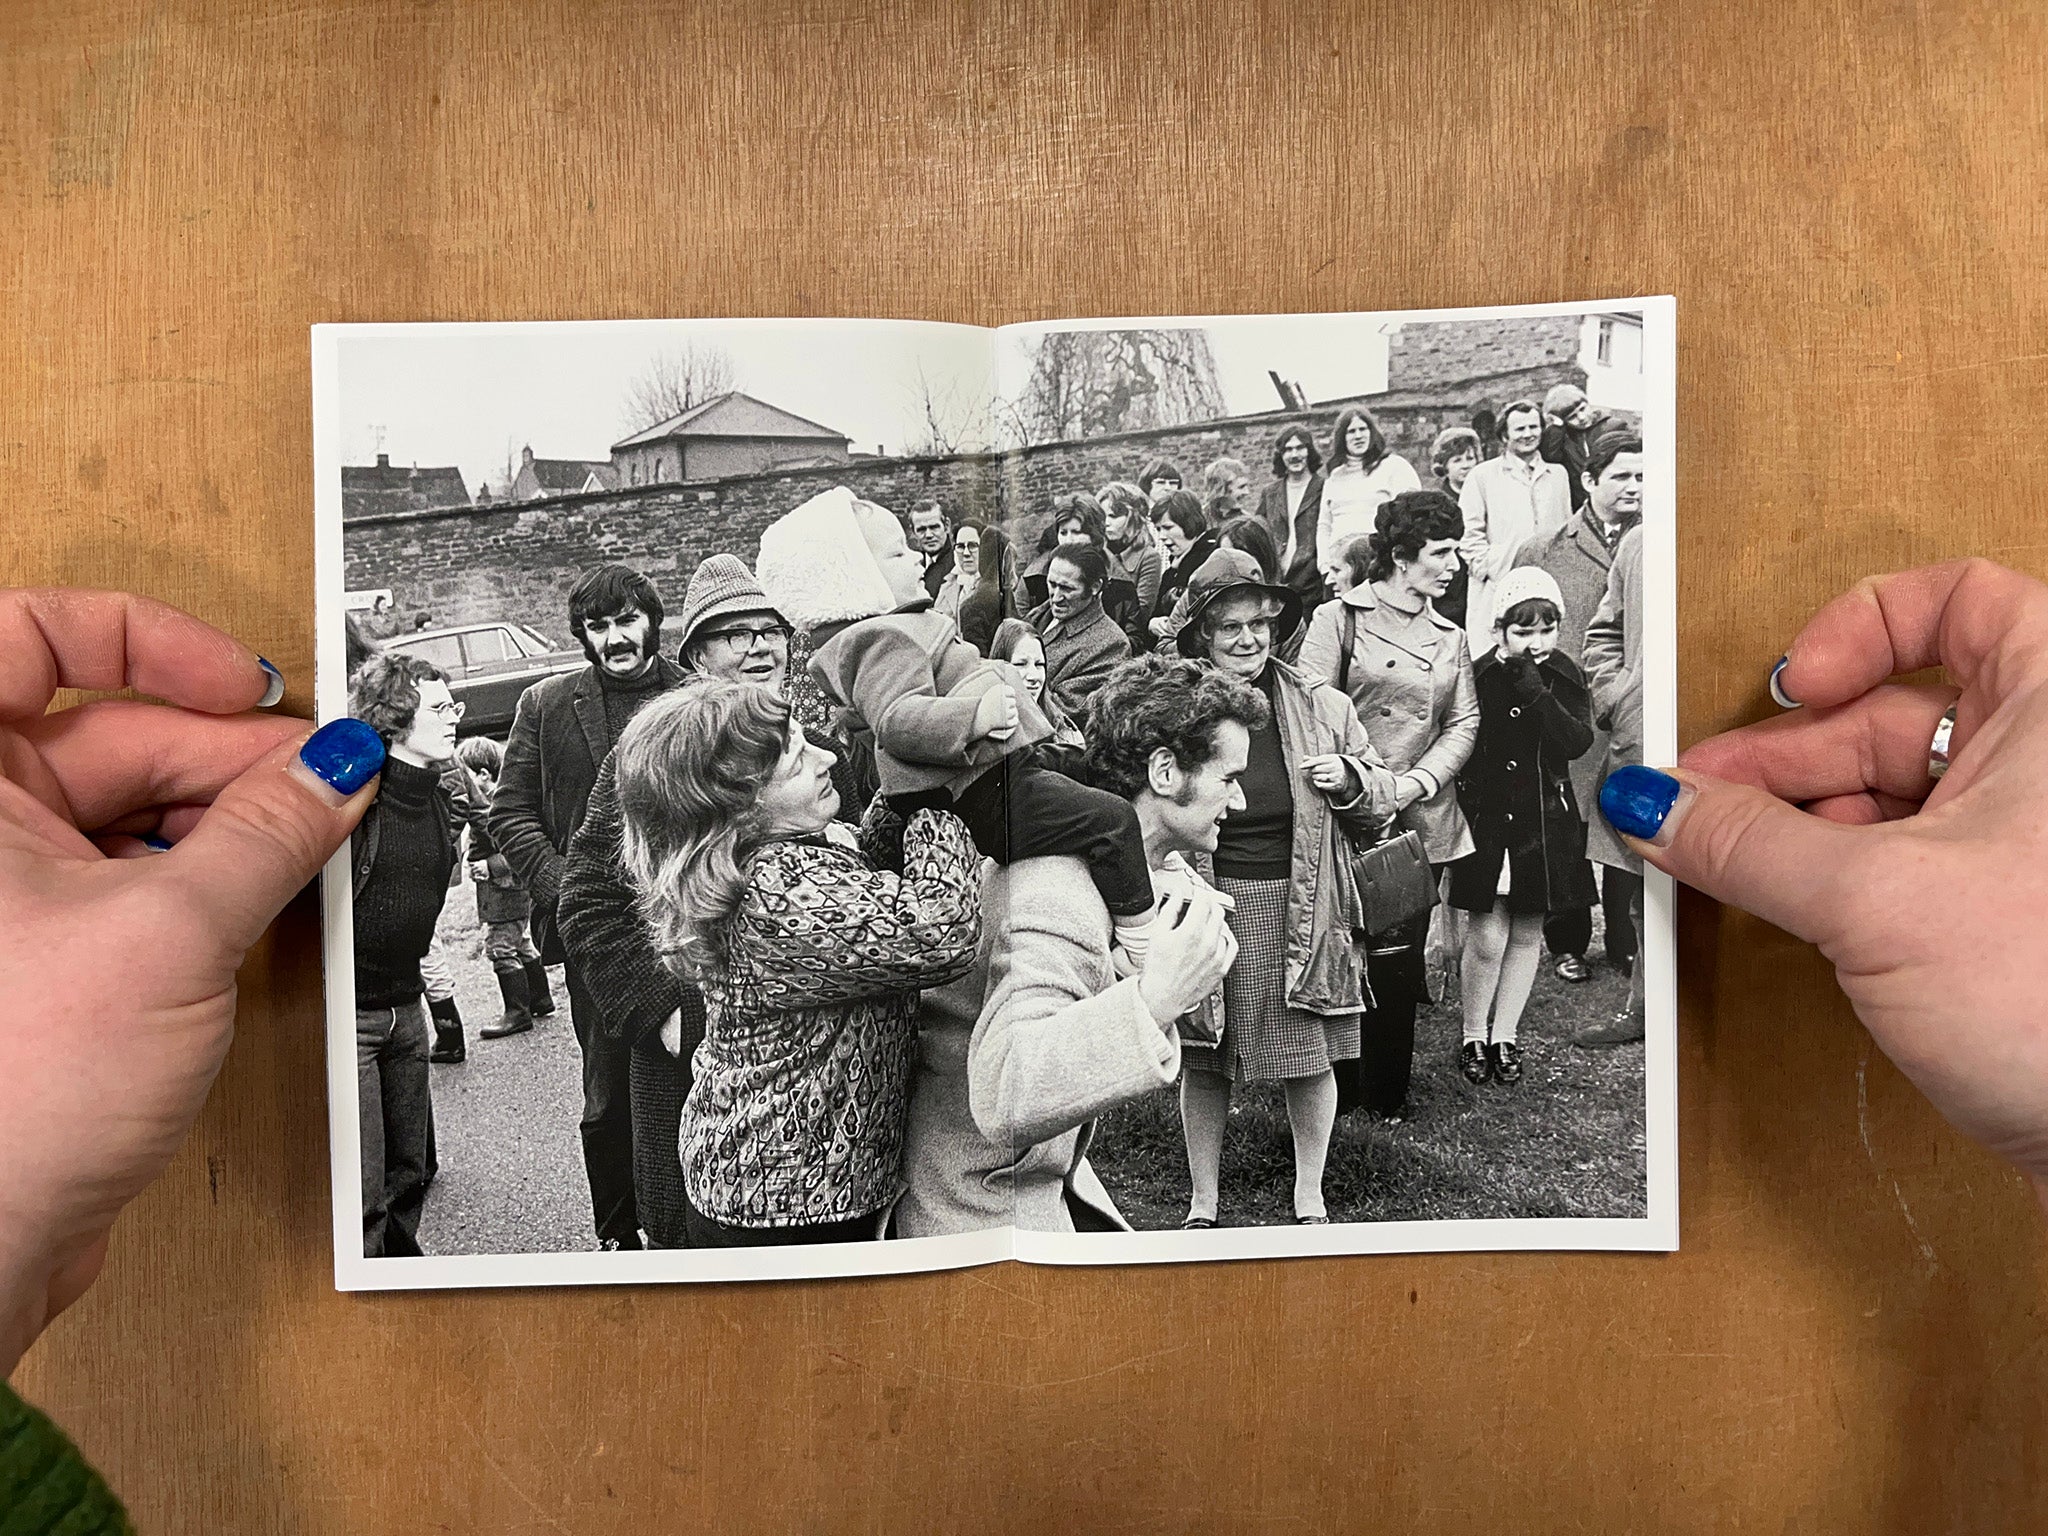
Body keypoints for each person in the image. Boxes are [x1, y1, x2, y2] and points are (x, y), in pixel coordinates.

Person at [22, 564, 2048, 1493]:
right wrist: (977, 841)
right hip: (795, 1180)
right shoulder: (813, 879)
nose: (825, 770)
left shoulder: (752, 854)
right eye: (798, 766)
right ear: (745, 803)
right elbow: (927, 935)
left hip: (797, 1141)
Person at [559, 554, 866, 1251]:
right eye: (735, 633)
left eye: (770, 630)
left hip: (814, 1079)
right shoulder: (656, 754)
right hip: (696, 1061)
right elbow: (587, 901)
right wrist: (667, 1015)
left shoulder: (818, 754)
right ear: (697, 656)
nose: (759, 646)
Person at [893, 652, 1254, 1236]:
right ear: (1164, 773)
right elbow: (1005, 1091)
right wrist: (1153, 1001)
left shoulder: (1119, 868)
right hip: (976, 1219)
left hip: (1023, 1188)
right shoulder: (1056, 889)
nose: (1239, 802)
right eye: (1229, 778)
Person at [614, 681, 983, 1246]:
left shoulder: (794, 848)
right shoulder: (776, 894)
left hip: (803, 1185)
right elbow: (941, 929)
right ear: (736, 807)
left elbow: (869, 868)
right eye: (795, 760)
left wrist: (905, 776)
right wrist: (937, 797)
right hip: (784, 1204)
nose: (827, 757)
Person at [757, 487, 1157, 970]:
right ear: (858, 581)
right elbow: (899, 720)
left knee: (1090, 767)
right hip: (976, 788)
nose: (917, 559)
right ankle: (1142, 948)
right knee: (1110, 819)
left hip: (996, 766)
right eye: (896, 553)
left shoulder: (897, 627)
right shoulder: (880, 638)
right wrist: (976, 716)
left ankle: (1141, 876)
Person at [1170, 551, 1399, 1227]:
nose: (1247, 640)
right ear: (1202, 636)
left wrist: (1353, 778)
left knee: (1308, 1055)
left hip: (1301, 903)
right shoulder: (1178, 708)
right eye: (1230, 627)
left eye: (1258, 625)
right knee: (1204, 1055)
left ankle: (1310, 1192)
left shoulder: (1319, 704)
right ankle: (1202, 1201)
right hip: (1209, 898)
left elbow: (1383, 797)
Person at [490, 562, 681, 1252]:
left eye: (627, 620)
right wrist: (566, 888)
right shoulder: (546, 705)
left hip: (684, 925)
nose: (615, 637)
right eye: (598, 626)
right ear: (582, 635)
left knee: (688, 1076)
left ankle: (685, 1222)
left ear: (652, 620)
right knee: (606, 1097)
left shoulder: (691, 697)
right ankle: (617, 1235)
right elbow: (508, 812)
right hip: (595, 934)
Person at [1297, 491, 1479, 1117]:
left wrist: (1415, 783)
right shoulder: (1338, 619)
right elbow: (1311, 705)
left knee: (1399, 957)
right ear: (1401, 557)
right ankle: (1335, 1089)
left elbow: (1463, 722)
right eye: (1441, 552)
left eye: (1454, 549)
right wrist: (1363, 782)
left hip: (1419, 816)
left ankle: (1386, 1093)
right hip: (1346, 810)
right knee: (1344, 947)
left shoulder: (1449, 634)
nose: (1453, 563)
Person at [1445, 567, 1598, 1084]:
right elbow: (1462, 740)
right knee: (1486, 935)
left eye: (1547, 629)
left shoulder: (1564, 676)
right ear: (1501, 630)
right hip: (1489, 823)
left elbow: (1576, 740)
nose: (1536, 642)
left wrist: (1536, 690)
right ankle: (1472, 1032)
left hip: (1544, 824)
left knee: (1528, 931)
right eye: (1523, 630)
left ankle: (1504, 1035)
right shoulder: (1480, 675)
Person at [1516, 430, 1645, 985]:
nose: (1633, 487)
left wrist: (1617, 692)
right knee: (1564, 830)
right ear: (1589, 481)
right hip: (1562, 713)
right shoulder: (1546, 546)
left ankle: (1626, 942)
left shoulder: (1655, 540)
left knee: (1624, 823)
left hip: (1625, 714)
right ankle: (1565, 940)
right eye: (1620, 476)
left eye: (1643, 476)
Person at [346, 653, 463, 1256]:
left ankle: (402, 1265)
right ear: (395, 720)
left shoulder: (438, 801)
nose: (454, 720)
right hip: (352, 1020)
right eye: (440, 709)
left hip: (408, 1009)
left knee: (411, 1171)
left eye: (453, 706)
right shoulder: (354, 808)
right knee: (364, 1187)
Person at [1578, 521, 1648, 1045]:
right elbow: (1603, 633)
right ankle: (1645, 1007)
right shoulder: (1640, 541)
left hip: (1727, 736)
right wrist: (1620, 696)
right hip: (1644, 735)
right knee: (1649, 883)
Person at [453, 734, 556, 1043]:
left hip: (506, 892)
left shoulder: (495, 808)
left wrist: (490, 866)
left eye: (467, 777)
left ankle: (517, 1012)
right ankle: (540, 999)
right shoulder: (492, 803)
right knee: (522, 943)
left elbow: (517, 850)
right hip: (506, 894)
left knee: (500, 947)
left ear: (483, 775)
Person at [1459, 398, 1572, 654]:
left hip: (1548, 587)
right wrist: (1490, 567)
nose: (1528, 434)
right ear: (1504, 434)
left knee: (1546, 656)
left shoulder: (1558, 475)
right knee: (1495, 660)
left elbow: (1566, 528)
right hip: (1496, 586)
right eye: (1520, 429)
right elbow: (1468, 533)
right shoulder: (1482, 476)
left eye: (1534, 427)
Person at [1028, 541, 1134, 720]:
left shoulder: (1112, 644)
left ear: (1095, 587)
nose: (1056, 597)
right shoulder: (1038, 615)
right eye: (1052, 584)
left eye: (1067, 588)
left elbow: (1069, 712)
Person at [1317, 407, 1421, 587]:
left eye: (1363, 429)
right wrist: (1325, 566)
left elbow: (1411, 516)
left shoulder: (1395, 467)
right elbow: (1324, 526)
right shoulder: (1334, 478)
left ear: (1372, 432)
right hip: (1340, 569)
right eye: (1351, 431)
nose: (1358, 436)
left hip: (1378, 563)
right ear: (1342, 438)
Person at [988, 616, 1084, 756]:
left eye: (1039, 664)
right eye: (1021, 664)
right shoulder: (984, 728)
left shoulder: (1062, 728)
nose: (1034, 676)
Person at [1255, 423, 1326, 606]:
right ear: (1281, 455)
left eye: (1300, 448)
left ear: (1309, 451)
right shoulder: (1270, 493)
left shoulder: (1324, 488)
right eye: (1288, 450)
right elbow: (1257, 535)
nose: (1294, 455)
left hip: (1311, 588)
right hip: (1275, 586)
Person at [1427, 426, 1485, 629]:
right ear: (1444, 465)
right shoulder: (1438, 501)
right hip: (1452, 579)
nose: (1465, 466)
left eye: (1470, 458)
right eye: (1457, 460)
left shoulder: (1486, 493)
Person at [1147, 489, 1220, 644]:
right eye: (1158, 529)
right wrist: (1153, 623)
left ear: (1189, 523)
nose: (1161, 536)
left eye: (1168, 527)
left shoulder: (1208, 562)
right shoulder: (1173, 569)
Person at [1099, 480, 1165, 643]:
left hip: (1126, 642)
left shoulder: (1148, 557)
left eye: (1114, 516)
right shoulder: (1096, 552)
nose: (1106, 522)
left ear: (1134, 518)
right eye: (1102, 516)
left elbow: (1141, 614)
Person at [954, 520, 1021, 655]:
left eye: (972, 546)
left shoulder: (1003, 594)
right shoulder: (976, 603)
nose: (1013, 570)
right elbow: (976, 657)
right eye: (1011, 562)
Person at [1539, 383, 1605, 513]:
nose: (1581, 418)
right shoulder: (1564, 437)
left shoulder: (1610, 426)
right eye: (1572, 417)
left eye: (1582, 409)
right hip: (1579, 504)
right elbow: (1550, 458)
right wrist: (1557, 427)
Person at [930, 516, 982, 623]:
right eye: (961, 546)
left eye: (972, 546)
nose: (966, 553)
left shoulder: (996, 586)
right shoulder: (947, 587)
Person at [909, 499, 953, 599]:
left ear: (946, 526)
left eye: (934, 527)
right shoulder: (912, 565)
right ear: (913, 532)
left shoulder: (958, 565)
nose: (928, 535)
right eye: (921, 530)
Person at [1199, 456, 1253, 522]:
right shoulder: (1200, 520)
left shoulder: (1247, 522)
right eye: (1241, 487)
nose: (1247, 492)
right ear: (1221, 489)